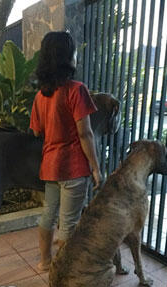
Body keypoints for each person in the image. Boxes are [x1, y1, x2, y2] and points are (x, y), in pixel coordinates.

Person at [30, 31, 102, 271]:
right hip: (73, 167)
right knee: (69, 222)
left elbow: (37, 131)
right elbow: (86, 133)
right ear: (67, 56)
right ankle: (64, 271)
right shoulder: (77, 89)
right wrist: (95, 167)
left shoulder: (40, 95)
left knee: (48, 215)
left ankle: (45, 261)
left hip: (50, 167)